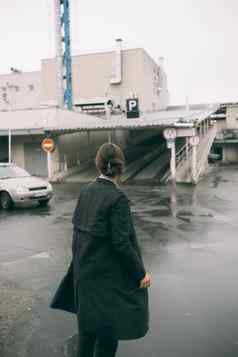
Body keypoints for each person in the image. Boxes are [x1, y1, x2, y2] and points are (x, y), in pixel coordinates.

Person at [72, 143, 151, 357]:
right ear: (120, 167)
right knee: (107, 338)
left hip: (84, 279)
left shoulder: (85, 191)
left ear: (98, 165)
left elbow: (77, 234)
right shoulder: (118, 199)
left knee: (86, 335)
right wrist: (140, 273)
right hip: (107, 284)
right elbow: (121, 243)